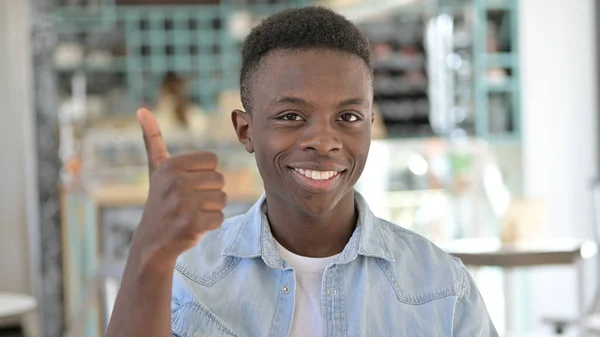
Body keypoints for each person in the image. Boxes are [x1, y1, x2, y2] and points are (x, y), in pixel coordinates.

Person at [106, 6, 498, 337]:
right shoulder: (184, 278)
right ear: (246, 130)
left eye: (348, 116)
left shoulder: (443, 289)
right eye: (291, 116)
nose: (324, 141)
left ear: (370, 125)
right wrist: (149, 252)